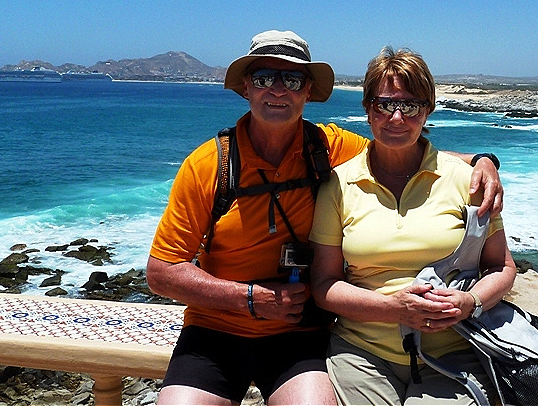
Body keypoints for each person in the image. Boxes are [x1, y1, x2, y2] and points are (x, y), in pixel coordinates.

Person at [147, 31, 503, 406]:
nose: (279, 90)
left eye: (293, 79)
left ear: (308, 91)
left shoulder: (327, 147)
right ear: (247, 88)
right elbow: (161, 272)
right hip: (215, 329)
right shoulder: (209, 166)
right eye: (265, 78)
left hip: (299, 331)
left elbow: (400, 145)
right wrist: (250, 298)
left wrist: (483, 160)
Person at [309, 47, 518, 406]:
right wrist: (395, 309)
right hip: (363, 353)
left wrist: (470, 302)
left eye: (410, 106)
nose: (396, 118)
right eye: (384, 104)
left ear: (428, 110)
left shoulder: (467, 181)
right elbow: (324, 285)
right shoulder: (338, 185)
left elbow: (501, 266)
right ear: (367, 109)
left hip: (455, 352)